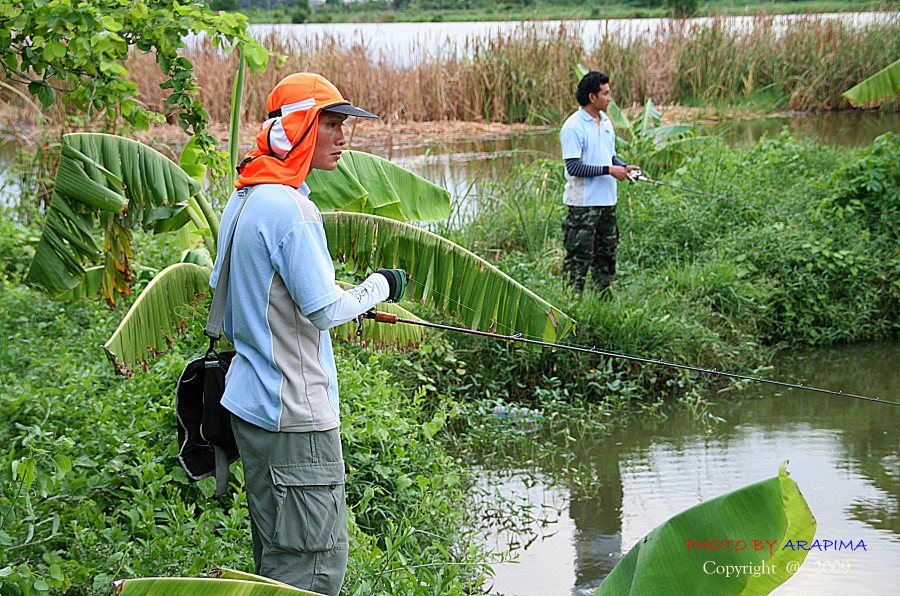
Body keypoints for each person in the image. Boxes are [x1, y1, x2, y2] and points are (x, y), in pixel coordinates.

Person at [210, 73, 407, 595]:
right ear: (298, 128)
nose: (344, 137)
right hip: (295, 417)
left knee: (278, 559)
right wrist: (378, 287)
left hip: (252, 408)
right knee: (313, 571)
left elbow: (249, 295)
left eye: (346, 125)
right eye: (332, 124)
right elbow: (322, 310)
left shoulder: (245, 198)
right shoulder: (293, 210)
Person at [560, 71, 640, 295]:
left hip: (608, 202)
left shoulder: (605, 122)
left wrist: (623, 167)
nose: (610, 98)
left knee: (606, 254)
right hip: (584, 205)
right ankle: (571, 303)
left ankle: (602, 300)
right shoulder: (573, 127)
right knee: (579, 257)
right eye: (605, 94)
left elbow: (609, 156)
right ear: (592, 97)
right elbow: (573, 167)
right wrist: (609, 170)